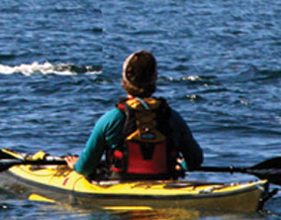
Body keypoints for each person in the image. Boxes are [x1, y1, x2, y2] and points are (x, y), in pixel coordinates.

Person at [65, 50, 203, 180]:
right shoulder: (173, 117)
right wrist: (181, 166)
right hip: (164, 181)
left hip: (119, 185)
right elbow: (195, 160)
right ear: (155, 78)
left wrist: (75, 165)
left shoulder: (110, 119)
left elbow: (85, 168)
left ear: (124, 81)